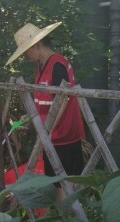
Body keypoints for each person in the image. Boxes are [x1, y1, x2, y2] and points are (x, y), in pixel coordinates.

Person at [6, 22, 85, 183]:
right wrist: (29, 117)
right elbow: (44, 102)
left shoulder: (57, 65)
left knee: (65, 184)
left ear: (37, 45)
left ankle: (67, 209)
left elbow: (61, 102)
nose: (24, 57)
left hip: (64, 136)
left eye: (26, 51)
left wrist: (46, 128)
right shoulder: (42, 67)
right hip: (50, 136)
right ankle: (58, 208)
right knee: (54, 183)